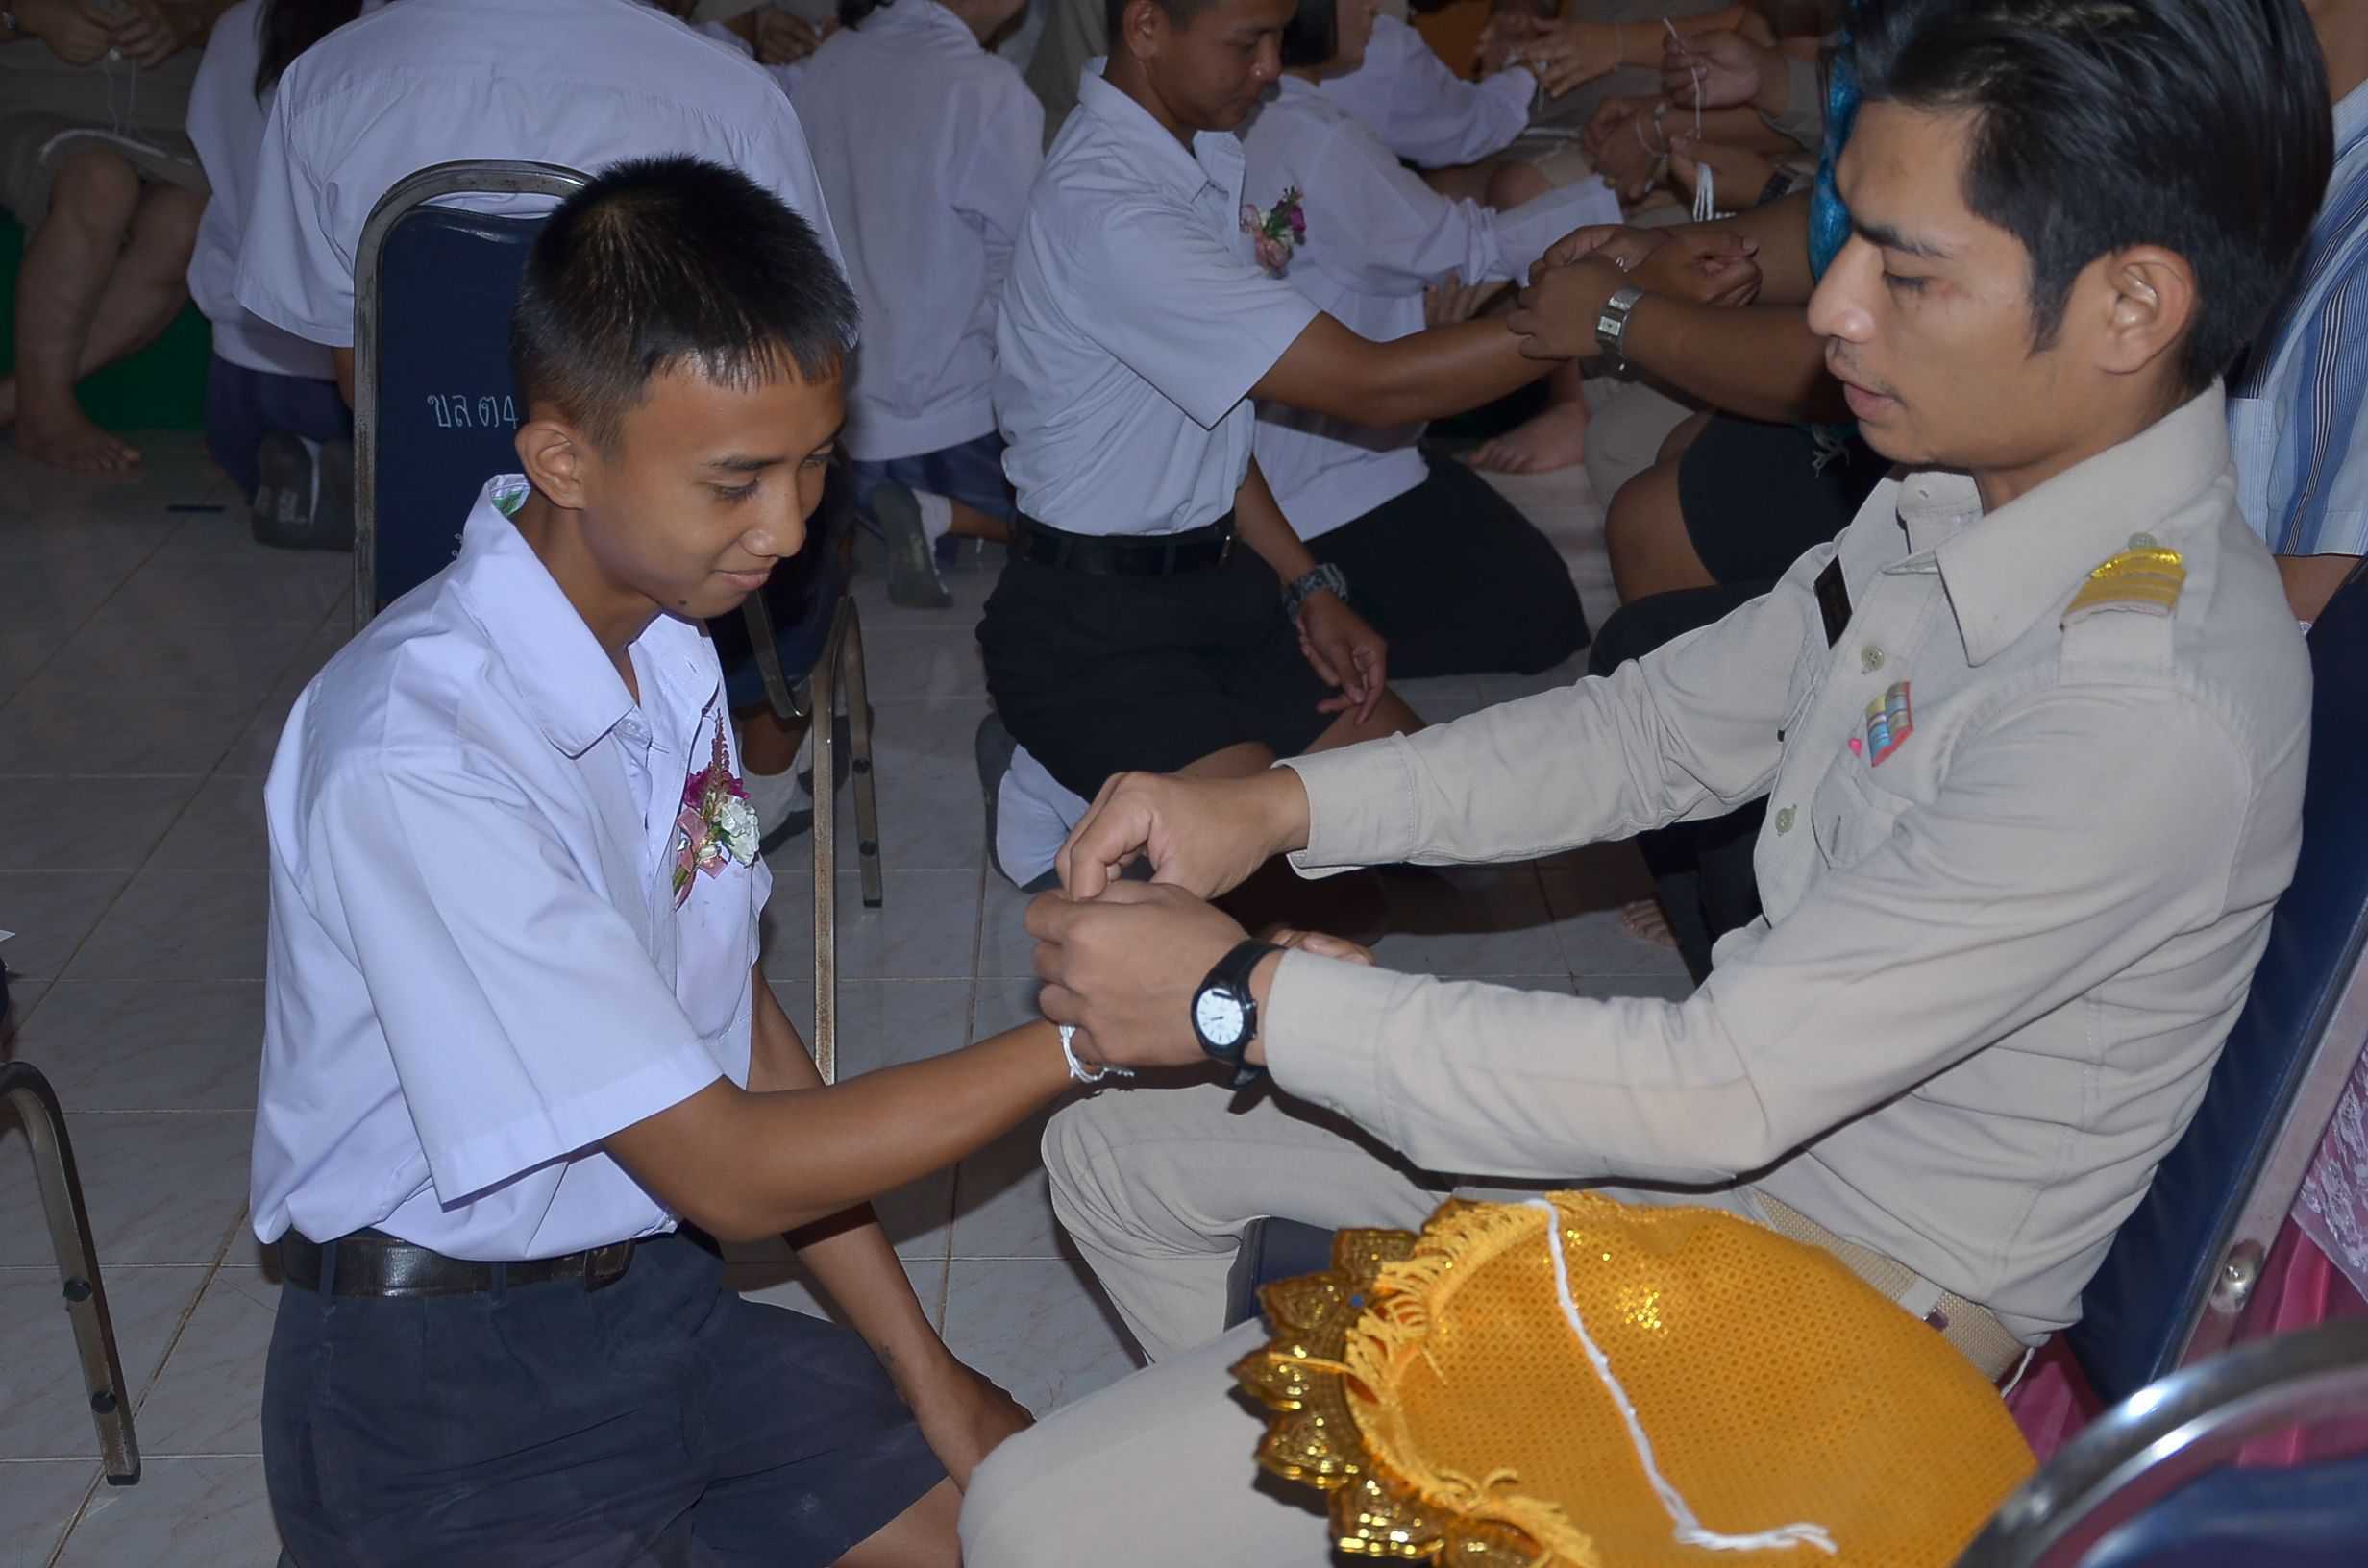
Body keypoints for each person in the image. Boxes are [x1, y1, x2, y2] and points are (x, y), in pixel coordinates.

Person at [958, 0, 2331, 1560]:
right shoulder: (1967, 496)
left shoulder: (2138, 705)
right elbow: (1653, 733)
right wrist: (1276, 805)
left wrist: (1239, 998)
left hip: (1828, 1314)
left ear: (2130, 304)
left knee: (1032, 1516)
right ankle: (1338, 1497)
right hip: (1728, 1178)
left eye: (1905, 272)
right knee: (1114, 1150)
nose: (1832, 312)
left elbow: (1711, 1084)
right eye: (1845, 245)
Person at [255, 157, 1085, 1566]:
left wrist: (926, 1372)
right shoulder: (420, 757)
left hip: (657, 1307)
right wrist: (1089, 1042)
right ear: (563, 460)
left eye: (815, 461)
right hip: (443, 1396)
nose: (790, 526)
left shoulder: (668, 641)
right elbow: (733, 1173)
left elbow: (733, 1024)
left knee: (1014, 1525)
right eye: (735, 482)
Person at [981, 0, 1644, 822]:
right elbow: (1374, 386)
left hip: (1218, 585)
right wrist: (1601, 316)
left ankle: (1086, 784)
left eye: (1277, 36)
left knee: (1430, 823)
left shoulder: (1191, 156)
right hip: (1094, 628)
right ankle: (1057, 782)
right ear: (1146, 28)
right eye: (1247, 43)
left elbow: (1212, 430)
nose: (1270, 67)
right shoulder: (1115, 210)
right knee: (1288, 869)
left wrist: (1308, 586)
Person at [233, 0, 846, 840]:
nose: (787, 530)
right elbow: (796, 361)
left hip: (424, 526)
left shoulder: (327, 82)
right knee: (799, 475)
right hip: (692, 571)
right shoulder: (729, 96)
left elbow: (356, 378)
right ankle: (769, 767)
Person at [1245, 0, 1619, 675]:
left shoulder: (1245, 119)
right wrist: (1618, 205)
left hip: (1271, 465)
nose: (1375, 8)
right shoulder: (1317, 137)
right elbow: (1467, 248)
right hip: (1330, 480)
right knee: (1545, 613)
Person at [792, 0, 1039, 609]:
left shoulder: (827, 64)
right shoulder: (986, 87)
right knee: (1075, 530)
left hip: (841, 429)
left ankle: (891, 513)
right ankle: (940, 513)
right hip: (960, 428)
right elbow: (1027, 271)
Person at [1, 0, 218, 473]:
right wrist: (26, 17)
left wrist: (188, 19)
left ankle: (22, 398)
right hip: (33, 101)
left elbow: (274, 16)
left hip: (170, 116)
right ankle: (44, 414)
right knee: (99, 183)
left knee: (188, 219)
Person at [185, 0, 364, 548]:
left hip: (242, 377)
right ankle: (339, 468)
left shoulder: (240, 24)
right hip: (355, 388)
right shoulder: (409, 32)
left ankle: (299, 474)